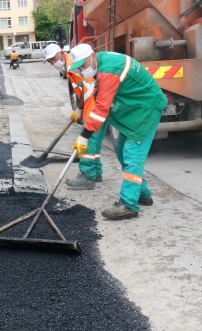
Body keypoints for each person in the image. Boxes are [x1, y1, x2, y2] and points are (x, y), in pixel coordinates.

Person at [69, 44, 167, 220]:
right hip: (136, 108)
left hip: (147, 108)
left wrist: (84, 136)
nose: (83, 70)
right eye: (80, 68)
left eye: (84, 65)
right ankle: (143, 194)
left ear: (92, 56)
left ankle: (129, 205)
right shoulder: (102, 63)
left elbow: (102, 107)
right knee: (122, 152)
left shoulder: (109, 69)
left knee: (132, 154)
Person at [43, 43, 105, 189]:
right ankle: (96, 173)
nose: (53, 63)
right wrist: (79, 108)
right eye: (50, 61)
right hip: (97, 104)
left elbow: (89, 87)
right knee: (95, 142)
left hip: (94, 106)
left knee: (86, 140)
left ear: (60, 53)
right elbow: (84, 89)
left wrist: (85, 111)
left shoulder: (74, 65)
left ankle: (87, 176)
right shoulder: (71, 65)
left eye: (53, 59)